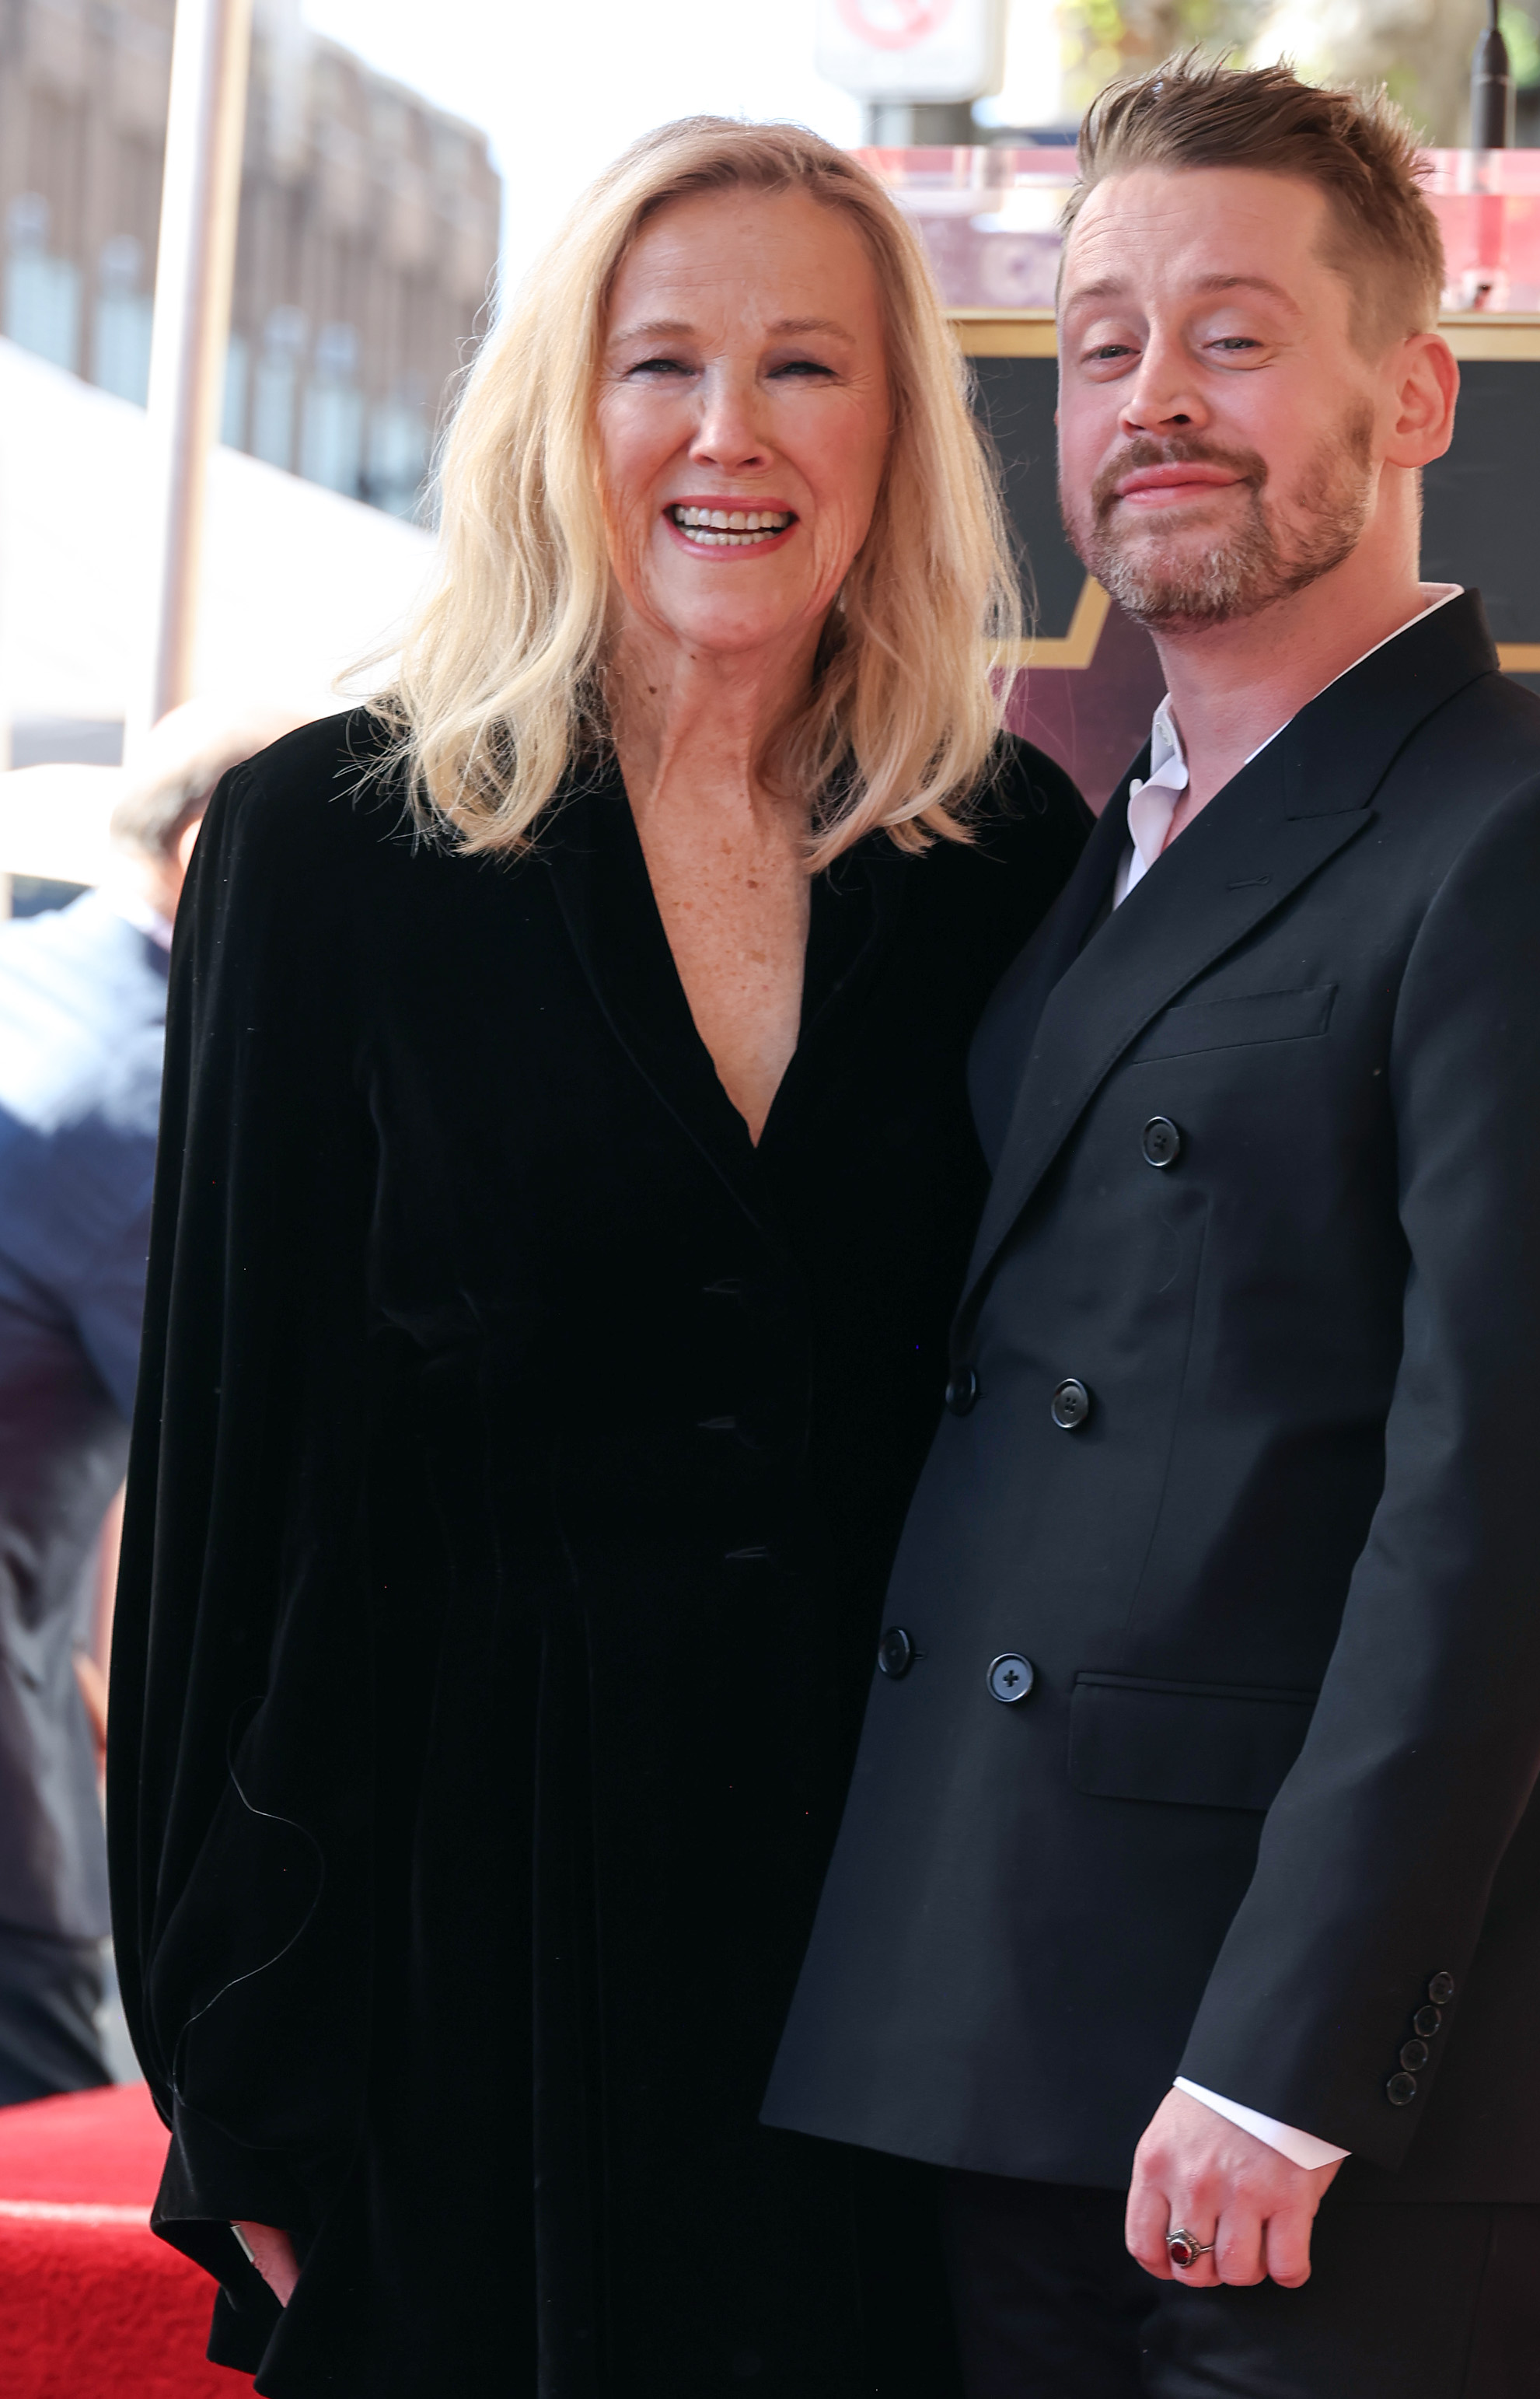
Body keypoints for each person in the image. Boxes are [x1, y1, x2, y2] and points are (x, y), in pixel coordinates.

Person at [763, 60, 1540, 2399]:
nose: (1150, 402)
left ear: (1413, 386)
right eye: (1102, 344)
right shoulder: (1088, 852)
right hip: (1011, 2036)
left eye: (1231, 332)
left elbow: (1508, 1500)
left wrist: (1291, 2055)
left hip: (1323, 2098)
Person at [106, 119, 1088, 2399]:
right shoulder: (336, 841)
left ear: (898, 436)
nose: (727, 433)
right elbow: (232, 1476)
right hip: (456, 1960)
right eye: (662, 365)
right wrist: (228, 2056)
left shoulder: (1000, 857)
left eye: (803, 369)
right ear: (564, 414)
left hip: (890, 1970)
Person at [0, 701, 299, 2109]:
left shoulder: (35, 975)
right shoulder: (140, 1084)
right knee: (60, 2111)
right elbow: (235, 1471)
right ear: (207, 841)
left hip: (38, 1645)